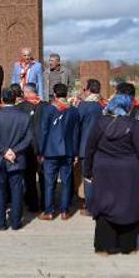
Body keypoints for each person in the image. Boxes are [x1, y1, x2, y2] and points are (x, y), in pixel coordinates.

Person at [84, 93, 139, 255]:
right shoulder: (133, 125)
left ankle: (103, 247)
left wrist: (87, 171)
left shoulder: (100, 123)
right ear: (128, 107)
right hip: (129, 170)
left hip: (103, 169)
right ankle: (128, 246)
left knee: (104, 205)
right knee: (129, 205)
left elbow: (90, 148)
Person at [0, 88, 33, 231]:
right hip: (15, 158)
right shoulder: (24, 116)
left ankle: (0, 223)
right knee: (17, 191)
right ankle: (15, 222)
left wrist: (4, 150)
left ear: (2, 99)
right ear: (16, 99)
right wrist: (13, 151)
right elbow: (28, 138)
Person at [38, 83, 79, 221]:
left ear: (54, 94)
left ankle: (49, 211)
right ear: (66, 94)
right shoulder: (73, 110)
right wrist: (75, 152)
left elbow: (43, 131)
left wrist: (41, 151)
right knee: (66, 182)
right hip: (67, 151)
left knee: (49, 182)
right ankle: (64, 211)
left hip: (50, 151)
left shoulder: (48, 109)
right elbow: (75, 133)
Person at [75, 79, 107, 215]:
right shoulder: (104, 105)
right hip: (102, 146)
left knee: (87, 176)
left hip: (85, 146)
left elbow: (77, 126)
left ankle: (89, 205)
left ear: (88, 90)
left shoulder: (83, 106)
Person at [15, 83, 47, 212]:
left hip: (27, 146)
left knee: (29, 178)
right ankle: (46, 203)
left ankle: (32, 204)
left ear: (27, 92)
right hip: (44, 146)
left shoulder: (20, 107)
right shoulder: (46, 106)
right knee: (44, 177)